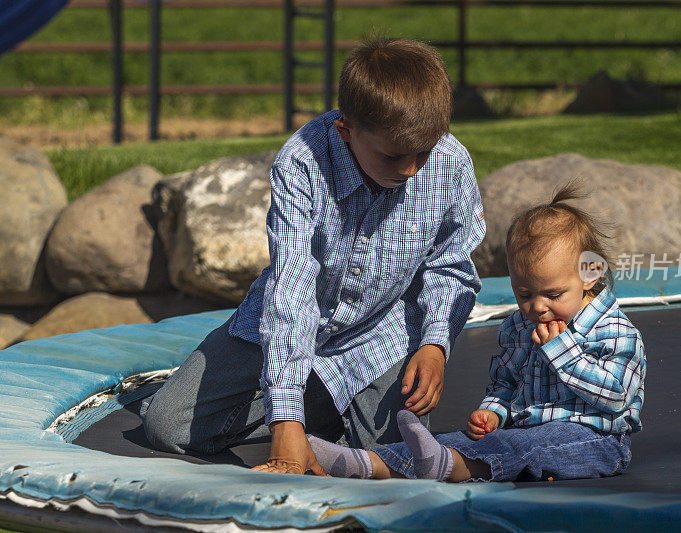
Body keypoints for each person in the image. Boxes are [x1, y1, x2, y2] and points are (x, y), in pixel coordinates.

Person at [139, 36, 486, 476]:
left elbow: (451, 264)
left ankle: (319, 405)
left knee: (396, 457)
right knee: (167, 425)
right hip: (289, 325)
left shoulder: (450, 163)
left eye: (424, 151)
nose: (411, 169)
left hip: (384, 335)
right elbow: (293, 289)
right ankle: (301, 405)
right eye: (395, 155)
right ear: (346, 131)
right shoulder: (301, 164)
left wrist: (435, 344)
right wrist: (284, 421)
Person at [308, 181, 646, 482]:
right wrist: (492, 413)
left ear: (590, 273)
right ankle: (368, 463)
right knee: (463, 441)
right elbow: (505, 384)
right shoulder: (518, 326)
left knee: (519, 446)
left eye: (553, 295)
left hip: (595, 441)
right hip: (521, 434)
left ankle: (446, 467)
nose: (538, 307)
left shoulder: (614, 331)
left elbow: (616, 396)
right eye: (525, 294)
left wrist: (564, 351)